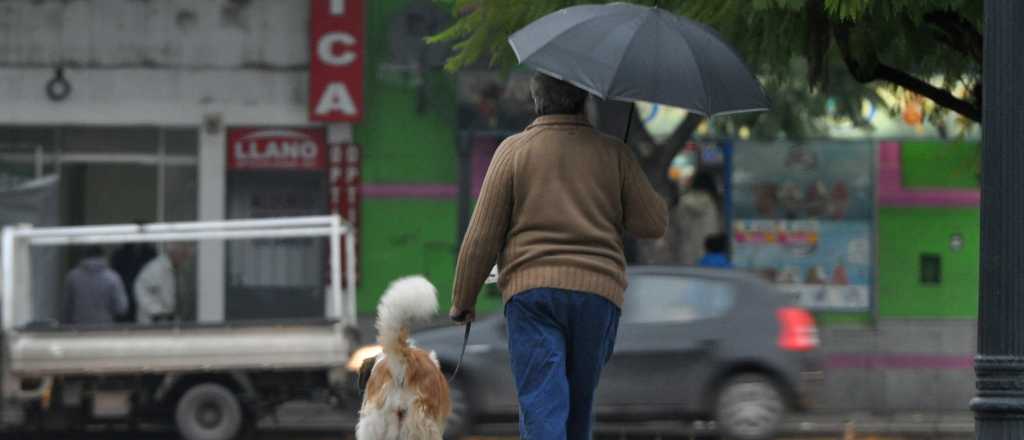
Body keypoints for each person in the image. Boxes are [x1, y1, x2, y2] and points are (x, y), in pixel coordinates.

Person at [449, 73, 668, 439]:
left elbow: (482, 236)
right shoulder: (614, 152)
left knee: (543, 403)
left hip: (532, 293)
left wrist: (463, 300)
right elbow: (653, 223)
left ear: (536, 102)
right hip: (598, 296)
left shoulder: (514, 151)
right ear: (585, 100)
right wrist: (622, 179)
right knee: (579, 405)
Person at [62, 246, 129, 325]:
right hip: (104, 327)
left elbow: (66, 307)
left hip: (79, 328)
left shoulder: (72, 276)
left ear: (84, 257)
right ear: (103, 257)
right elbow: (121, 308)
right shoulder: (112, 277)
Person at [109, 222, 157, 322]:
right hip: (125, 296)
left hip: (145, 298)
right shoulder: (120, 254)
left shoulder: (151, 253)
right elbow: (114, 276)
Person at [134, 243, 191, 324]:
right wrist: (158, 312)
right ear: (174, 253)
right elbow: (140, 290)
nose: (184, 260)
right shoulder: (155, 268)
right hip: (154, 321)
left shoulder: (177, 269)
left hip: (170, 319)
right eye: (183, 255)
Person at [676, 170, 723, 265]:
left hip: (688, 252)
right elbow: (719, 227)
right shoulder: (712, 203)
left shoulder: (683, 202)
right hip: (710, 253)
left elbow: (679, 226)